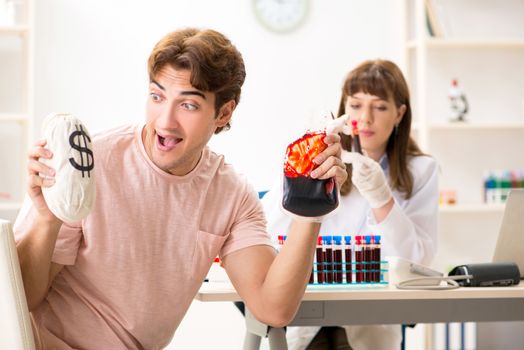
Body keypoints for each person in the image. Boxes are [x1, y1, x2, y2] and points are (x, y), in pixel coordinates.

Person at [13, 28, 348, 349]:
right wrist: (47, 218)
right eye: (157, 96)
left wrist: (309, 213)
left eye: (188, 105)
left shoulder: (231, 194)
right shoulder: (91, 163)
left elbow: (272, 309)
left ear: (224, 112)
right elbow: (20, 298)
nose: (165, 121)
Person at [261, 59, 439, 350]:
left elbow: (416, 262)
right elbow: (267, 235)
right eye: (355, 105)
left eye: (380, 106)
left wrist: (382, 200)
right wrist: (302, 175)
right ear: (343, 108)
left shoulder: (421, 170)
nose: (365, 118)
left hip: (371, 317)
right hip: (308, 313)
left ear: (399, 113)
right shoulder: (322, 157)